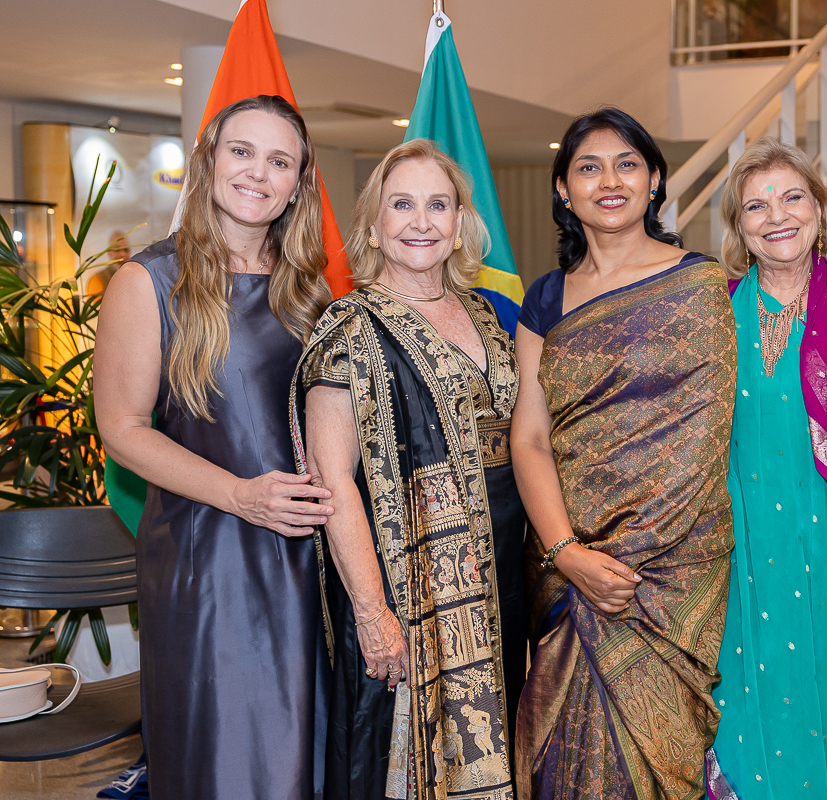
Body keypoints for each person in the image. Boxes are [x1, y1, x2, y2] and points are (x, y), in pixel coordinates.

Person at [94, 94, 333, 799]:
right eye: (242, 151)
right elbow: (123, 429)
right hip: (213, 561)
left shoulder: (309, 291)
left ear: (299, 182)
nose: (258, 173)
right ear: (209, 161)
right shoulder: (150, 281)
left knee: (308, 755)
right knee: (229, 758)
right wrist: (242, 496)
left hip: (309, 557)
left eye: (279, 160)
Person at [510, 107, 736, 800]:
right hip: (567, 569)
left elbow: (706, 434)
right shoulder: (545, 298)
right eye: (588, 166)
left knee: (660, 760)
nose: (609, 180)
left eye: (627, 163)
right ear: (562, 190)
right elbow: (530, 437)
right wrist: (569, 556)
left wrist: (630, 556)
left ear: (656, 180)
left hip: (669, 574)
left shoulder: (700, 285)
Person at [292, 138, 524, 799]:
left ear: (460, 225)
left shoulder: (486, 313)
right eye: (402, 204)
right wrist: (371, 612)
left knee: (489, 739)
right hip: (403, 587)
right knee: (398, 755)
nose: (421, 221)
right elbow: (331, 481)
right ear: (373, 224)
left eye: (437, 205)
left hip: (498, 576)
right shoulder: (347, 327)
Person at [704, 138, 827, 800]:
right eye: (756, 205)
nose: (777, 215)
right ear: (739, 228)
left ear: (820, 211)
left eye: (792, 196)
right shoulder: (714, 313)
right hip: (738, 546)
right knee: (746, 697)